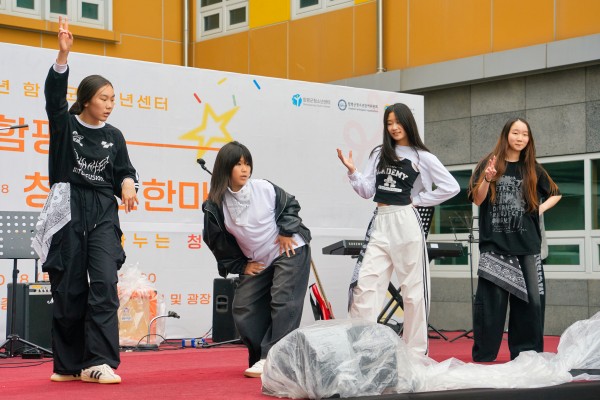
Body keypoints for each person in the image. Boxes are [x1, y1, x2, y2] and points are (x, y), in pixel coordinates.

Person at [32, 16, 139, 384]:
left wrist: (128, 184)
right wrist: (63, 57)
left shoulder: (115, 135)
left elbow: (124, 170)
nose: (109, 105)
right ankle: (68, 364)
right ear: (87, 100)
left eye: (113, 99)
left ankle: (99, 361)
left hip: (103, 210)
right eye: (103, 99)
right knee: (69, 287)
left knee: (104, 284)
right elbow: (53, 99)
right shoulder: (66, 125)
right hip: (68, 207)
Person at [337, 103, 459, 355]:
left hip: (406, 222)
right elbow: (367, 191)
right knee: (366, 287)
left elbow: (451, 186)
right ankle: (361, 350)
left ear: (407, 122)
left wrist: (419, 200)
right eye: (389, 123)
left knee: (413, 291)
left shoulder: (423, 157)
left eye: (397, 122)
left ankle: (415, 353)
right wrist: (353, 172)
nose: (393, 127)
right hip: (380, 221)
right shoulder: (379, 153)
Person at [202, 141, 311, 378]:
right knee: (244, 306)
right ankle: (260, 357)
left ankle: (273, 358)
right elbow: (215, 240)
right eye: (238, 164)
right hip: (259, 259)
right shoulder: (216, 204)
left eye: (247, 163)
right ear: (225, 168)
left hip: (289, 249)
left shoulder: (263, 187)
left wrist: (286, 230)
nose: (245, 169)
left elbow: (290, 205)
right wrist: (241, 266)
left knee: (283, 299)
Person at [468, 117, 561, 362]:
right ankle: (485, 354)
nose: (520, 138)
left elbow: (555, 194)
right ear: (506, 135)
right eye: (515, 133)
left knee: (531, 305)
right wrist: (488, 178)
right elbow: (477, 199)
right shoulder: (488, 163)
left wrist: (538, 210)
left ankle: (526, 355)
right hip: (495, 246)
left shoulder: (533, 168)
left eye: (525, 134)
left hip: (527, 245)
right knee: (490, 306)